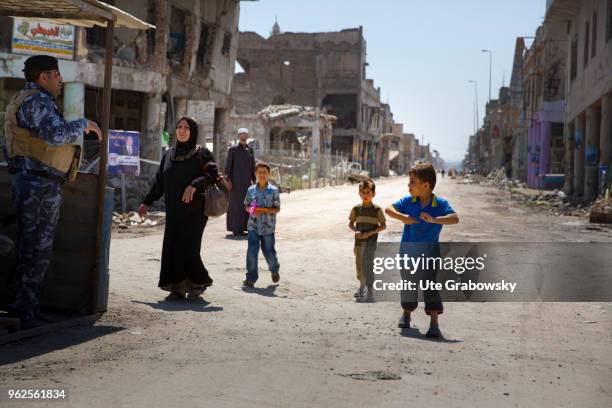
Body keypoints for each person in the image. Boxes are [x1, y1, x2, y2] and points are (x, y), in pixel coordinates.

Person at [4, 55, 101, 329]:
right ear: (43, 77)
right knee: (37, 251)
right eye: (56, 75)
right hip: (38, 185)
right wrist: (83, 124)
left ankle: (23, 309)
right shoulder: (37, 100)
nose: (60, 80)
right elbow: (55, 136)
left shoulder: (25, 99)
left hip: (33, 182)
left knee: (30, 248)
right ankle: (25, 312)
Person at [138, 117, 219, 301]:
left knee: (188, 247)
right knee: (172, 247)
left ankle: (199, 281)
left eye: (186, 127)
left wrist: (194, 184)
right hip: (174, 210)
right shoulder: (169, 155)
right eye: (179, 127)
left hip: (196, 211)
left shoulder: (202, 154)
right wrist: (146, 202)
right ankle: (178, 288)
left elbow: (212, 174)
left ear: (193, 132)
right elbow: (160, 183)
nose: (182, 130)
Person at [385, 162, 459, 338]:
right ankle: (406, 314)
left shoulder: (439, 204)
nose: (408, 185)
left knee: (430, 287)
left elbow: (455, 218)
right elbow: (388, 209)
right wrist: (403, 217)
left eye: (412, 182)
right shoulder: (408, 202)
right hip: (407, 255)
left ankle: (434, 324)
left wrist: (434, 220)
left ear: (425, 186)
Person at [242, 162, 280, 288]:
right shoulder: (251, 190)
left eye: (265, 172)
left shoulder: (273, 190)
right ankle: (251, 278)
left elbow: (277, 209)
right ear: (256, 174)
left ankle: (274, 269)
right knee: (252, 251)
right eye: (260, 172)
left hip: (268, 227)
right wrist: (251, 210)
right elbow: (247, 206)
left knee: (269, 252)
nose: (262, 174)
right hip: (253, 225)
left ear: (268, 174)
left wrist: (263, 210)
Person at [348, 179, 386, 303]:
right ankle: (361, 287)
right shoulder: (356, 209)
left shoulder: (377, 210)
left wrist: (370, 233)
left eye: (368, 192)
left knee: (368, 266)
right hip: (358, 244)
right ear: (359, 194)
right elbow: (351, 224)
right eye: (363, 192)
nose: (366, 195)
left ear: (373, 194)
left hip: (370, 244)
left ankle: (370, 292)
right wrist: (356, 231)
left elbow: (383, 226)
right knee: (359, 267)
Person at [225, 128, 255, 236]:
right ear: (238, 136)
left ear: (247, 136)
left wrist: (255, 180)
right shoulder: (232, 150)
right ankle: (235, 229)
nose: (243, 136)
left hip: (247, 183)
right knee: (236, 205)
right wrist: (228, 180)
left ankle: (244, 228)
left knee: (246, 205)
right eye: (241, 134)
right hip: (235, 182)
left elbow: (252, 167)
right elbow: (228, 166)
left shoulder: (250, 150)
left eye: (245, 134)